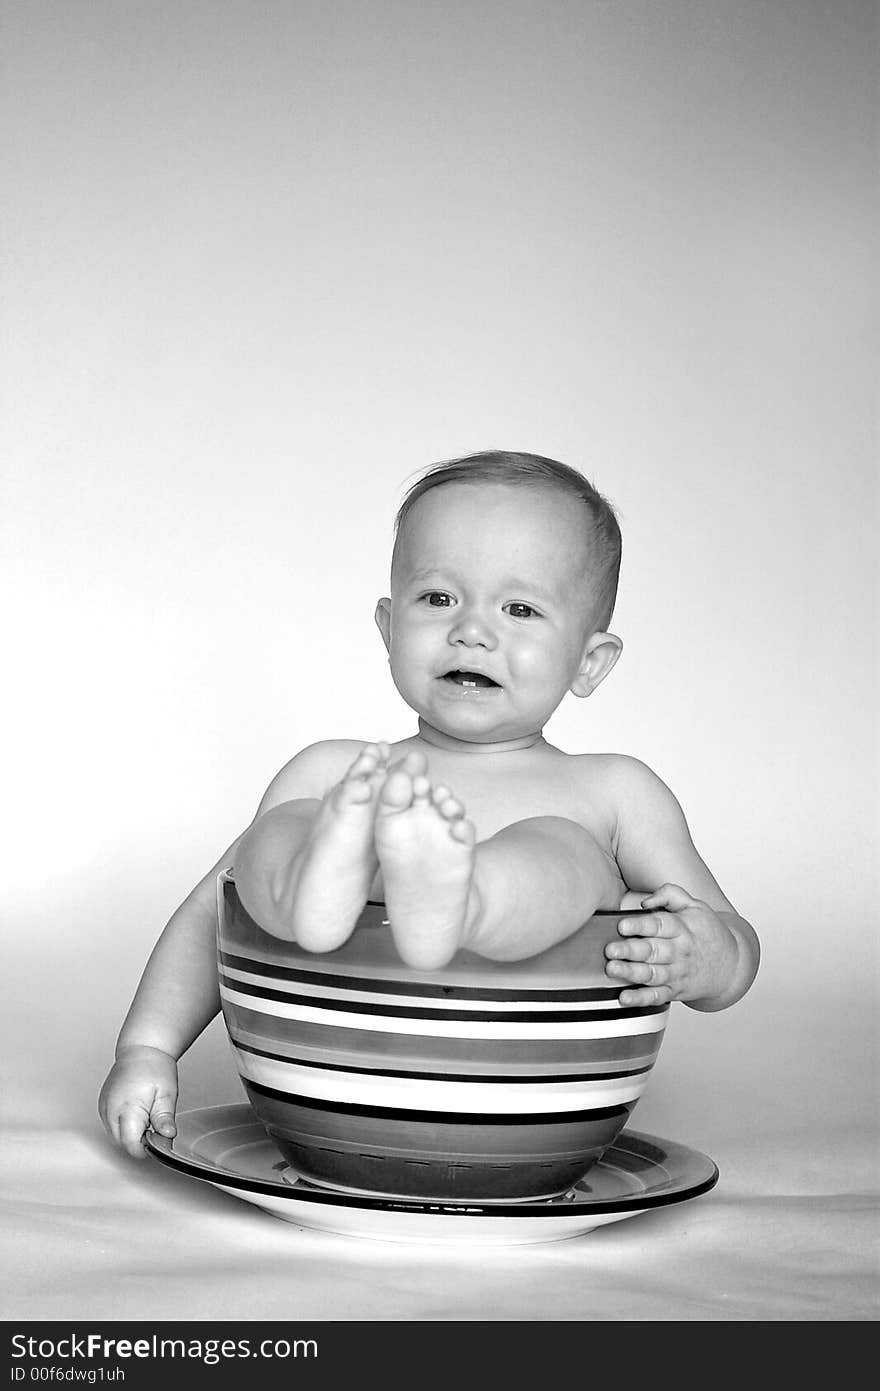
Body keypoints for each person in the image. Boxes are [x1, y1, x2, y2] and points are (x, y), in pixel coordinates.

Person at [99, 451, 760, 1158]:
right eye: (439, 598)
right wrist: (145, 1047)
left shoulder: (614, 791)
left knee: (563, 847)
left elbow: (734, 941)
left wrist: (704, 955)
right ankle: (308, 890)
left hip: (518, 1117)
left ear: (588, 662)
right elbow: (212, 913)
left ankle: (465, 899)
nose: (472, 630)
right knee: (289, 823)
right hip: (329, 1105)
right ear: (389, 629)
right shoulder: (339, 775)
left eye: (521, 608)